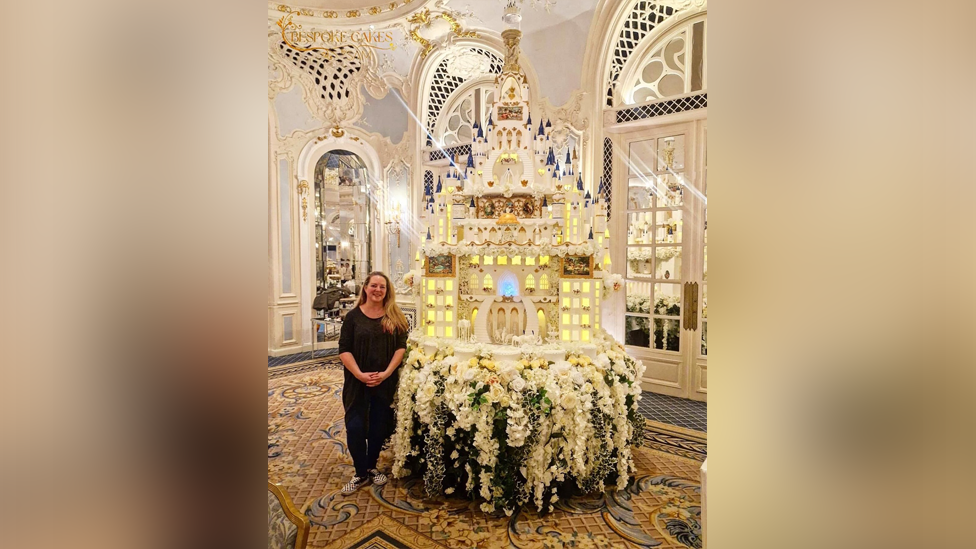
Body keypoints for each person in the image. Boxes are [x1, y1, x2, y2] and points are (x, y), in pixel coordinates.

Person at [337, 271, 409, 495]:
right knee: (355, 426)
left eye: (382, 287)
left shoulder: (395, 316)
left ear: (387, 291)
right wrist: (359, 374)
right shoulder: (353, 318)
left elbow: (401, 348)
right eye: (374, 286)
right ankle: (359, 473)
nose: (378, 290)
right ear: (365, 288)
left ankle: (371, 466)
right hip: (357, 382)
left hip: (384, 382)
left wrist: (387, 373)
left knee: (378, 427)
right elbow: (344, 350)